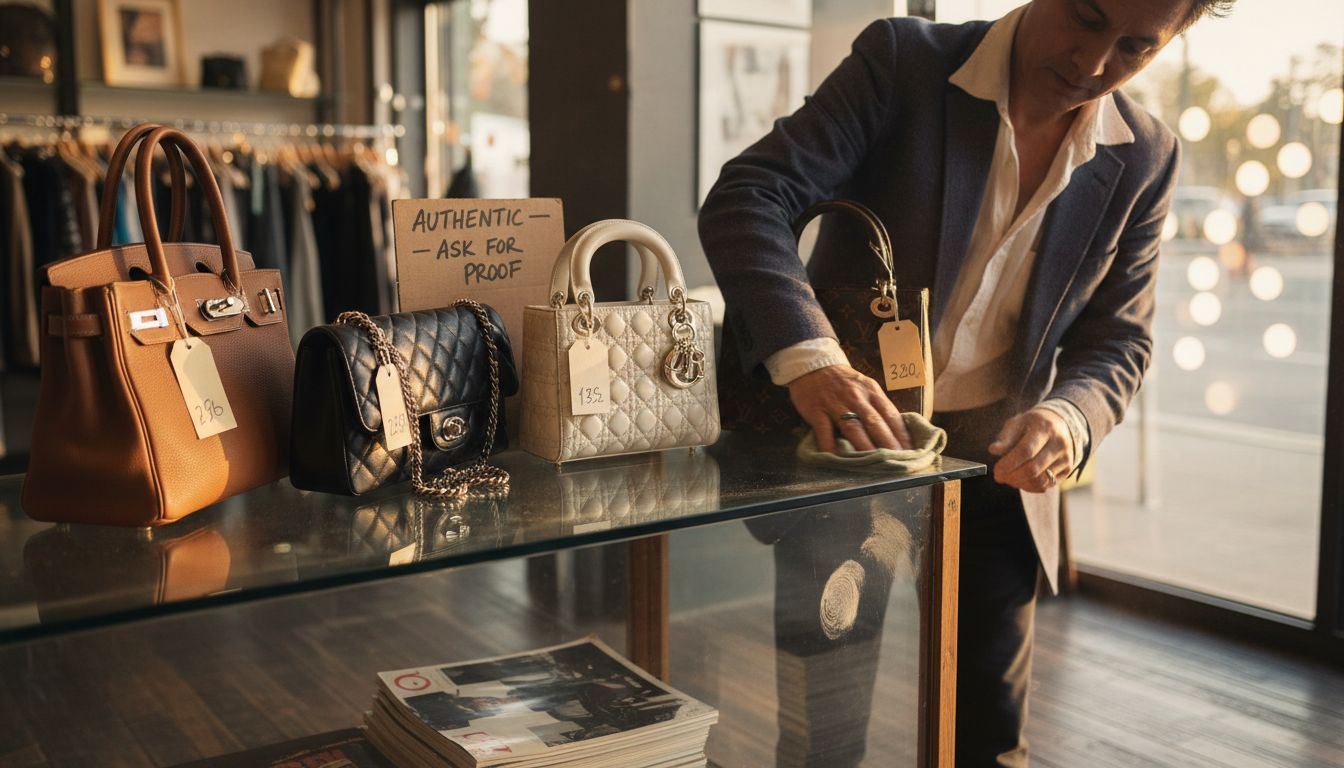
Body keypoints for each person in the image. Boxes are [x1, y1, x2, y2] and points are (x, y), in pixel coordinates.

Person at [697, 1, 1235, 765]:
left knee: (988, 735)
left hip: (999, 471)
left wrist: (1070, 419)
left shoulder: (1146, 154)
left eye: (1136, 47)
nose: (1092, 62)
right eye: (1085, 17)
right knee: (825, 734)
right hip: (854, 444)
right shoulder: (903, 61)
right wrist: (812, 359)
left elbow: (1119, 337)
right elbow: (749, 196)